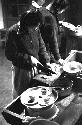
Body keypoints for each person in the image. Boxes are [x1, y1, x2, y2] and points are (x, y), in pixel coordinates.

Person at [5, 10, 50, 99]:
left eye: (37, 27)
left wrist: (46, 61)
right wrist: (29, 58)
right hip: (22, 70)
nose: (36, 29)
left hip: (35, 67)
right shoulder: (13, 32)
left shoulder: (36, 28)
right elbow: (10, 54)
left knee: (34, 93)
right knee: (22, 95)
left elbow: (41, 46)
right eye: (33, 27)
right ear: (26, 24)